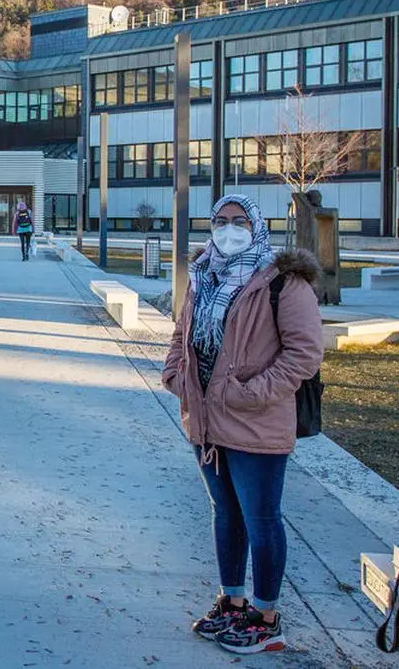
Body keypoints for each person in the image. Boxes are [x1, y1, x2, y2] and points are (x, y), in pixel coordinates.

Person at [161, 194, 323, 655]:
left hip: (256, 422)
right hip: (207, 419)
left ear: (256, 226)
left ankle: (266, 616)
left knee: (261, 518)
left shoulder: (283, 283)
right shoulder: (202, 274)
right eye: (220, 221)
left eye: (239, 221)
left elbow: (304, 354)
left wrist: (250, 393)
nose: (229, 229)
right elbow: (182, 332)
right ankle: (231, 600)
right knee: (225, 514)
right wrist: (176, 374)